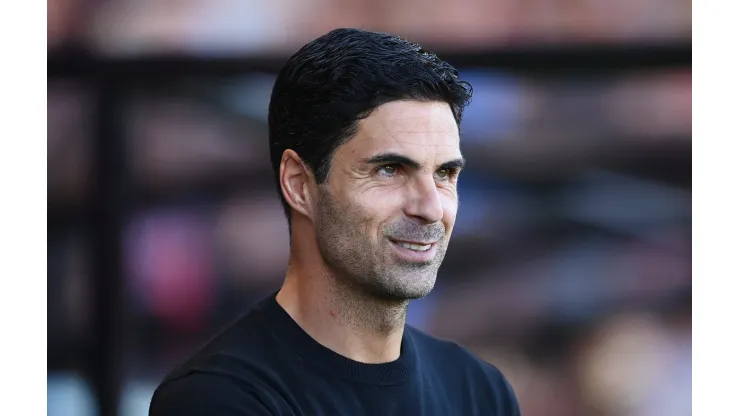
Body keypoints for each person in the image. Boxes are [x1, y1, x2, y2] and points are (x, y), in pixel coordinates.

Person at [149, 28, 520, 415]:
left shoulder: (478, 389)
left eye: (444, 174)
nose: (430, 207)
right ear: (299, 184)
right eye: (389, 170)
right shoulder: (218, 399)